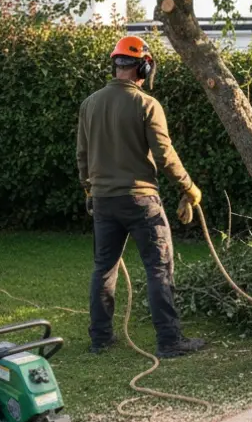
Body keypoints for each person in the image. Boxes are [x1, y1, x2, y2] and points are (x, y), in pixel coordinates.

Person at [77, 35, 205, 358]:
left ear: (116, 64)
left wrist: (89, 188)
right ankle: (169, 340)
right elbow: (164, 155)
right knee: (158, 267)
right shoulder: (147, 105)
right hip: (141, 201)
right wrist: (188, 187)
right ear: (143, 67)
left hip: (104, 201)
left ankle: (101, 339)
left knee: (103, 269)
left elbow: (82, 155)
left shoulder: (89, 104)